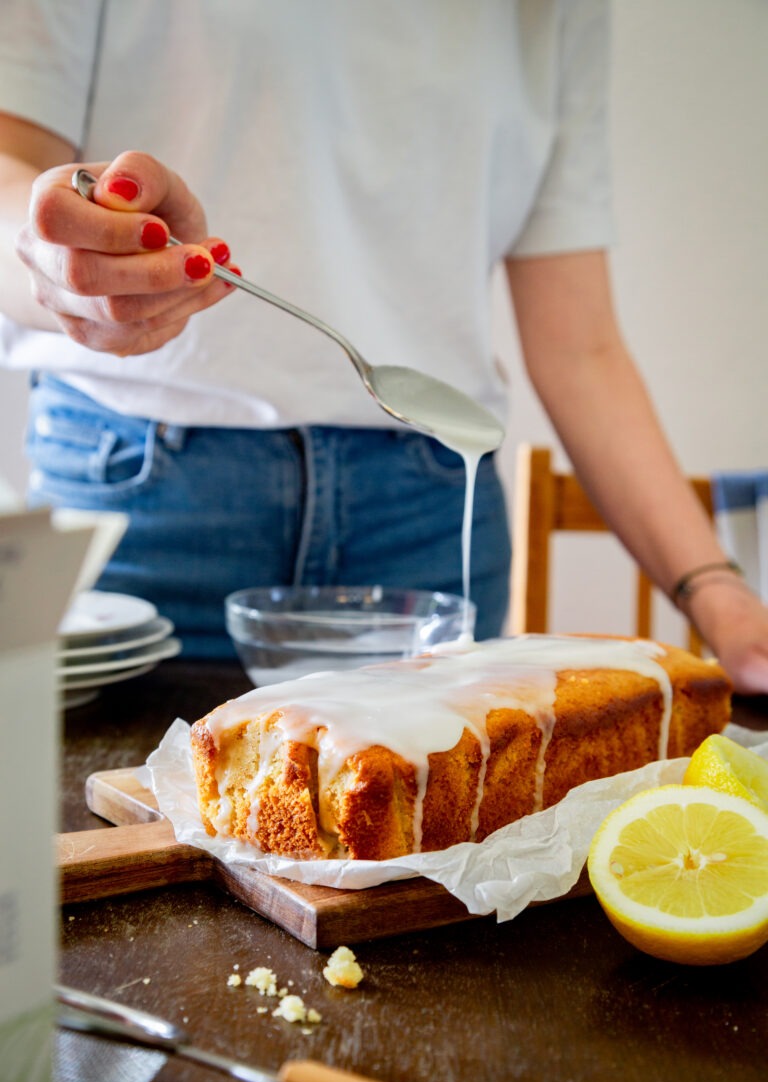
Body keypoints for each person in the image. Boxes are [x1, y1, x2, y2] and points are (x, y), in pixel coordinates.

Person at [0, 1, 767, 693]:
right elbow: (14, 191)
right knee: (110, 828)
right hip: (143, 510)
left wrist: (717, 592)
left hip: (429, 518)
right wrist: (63, 258)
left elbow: (582, 347)